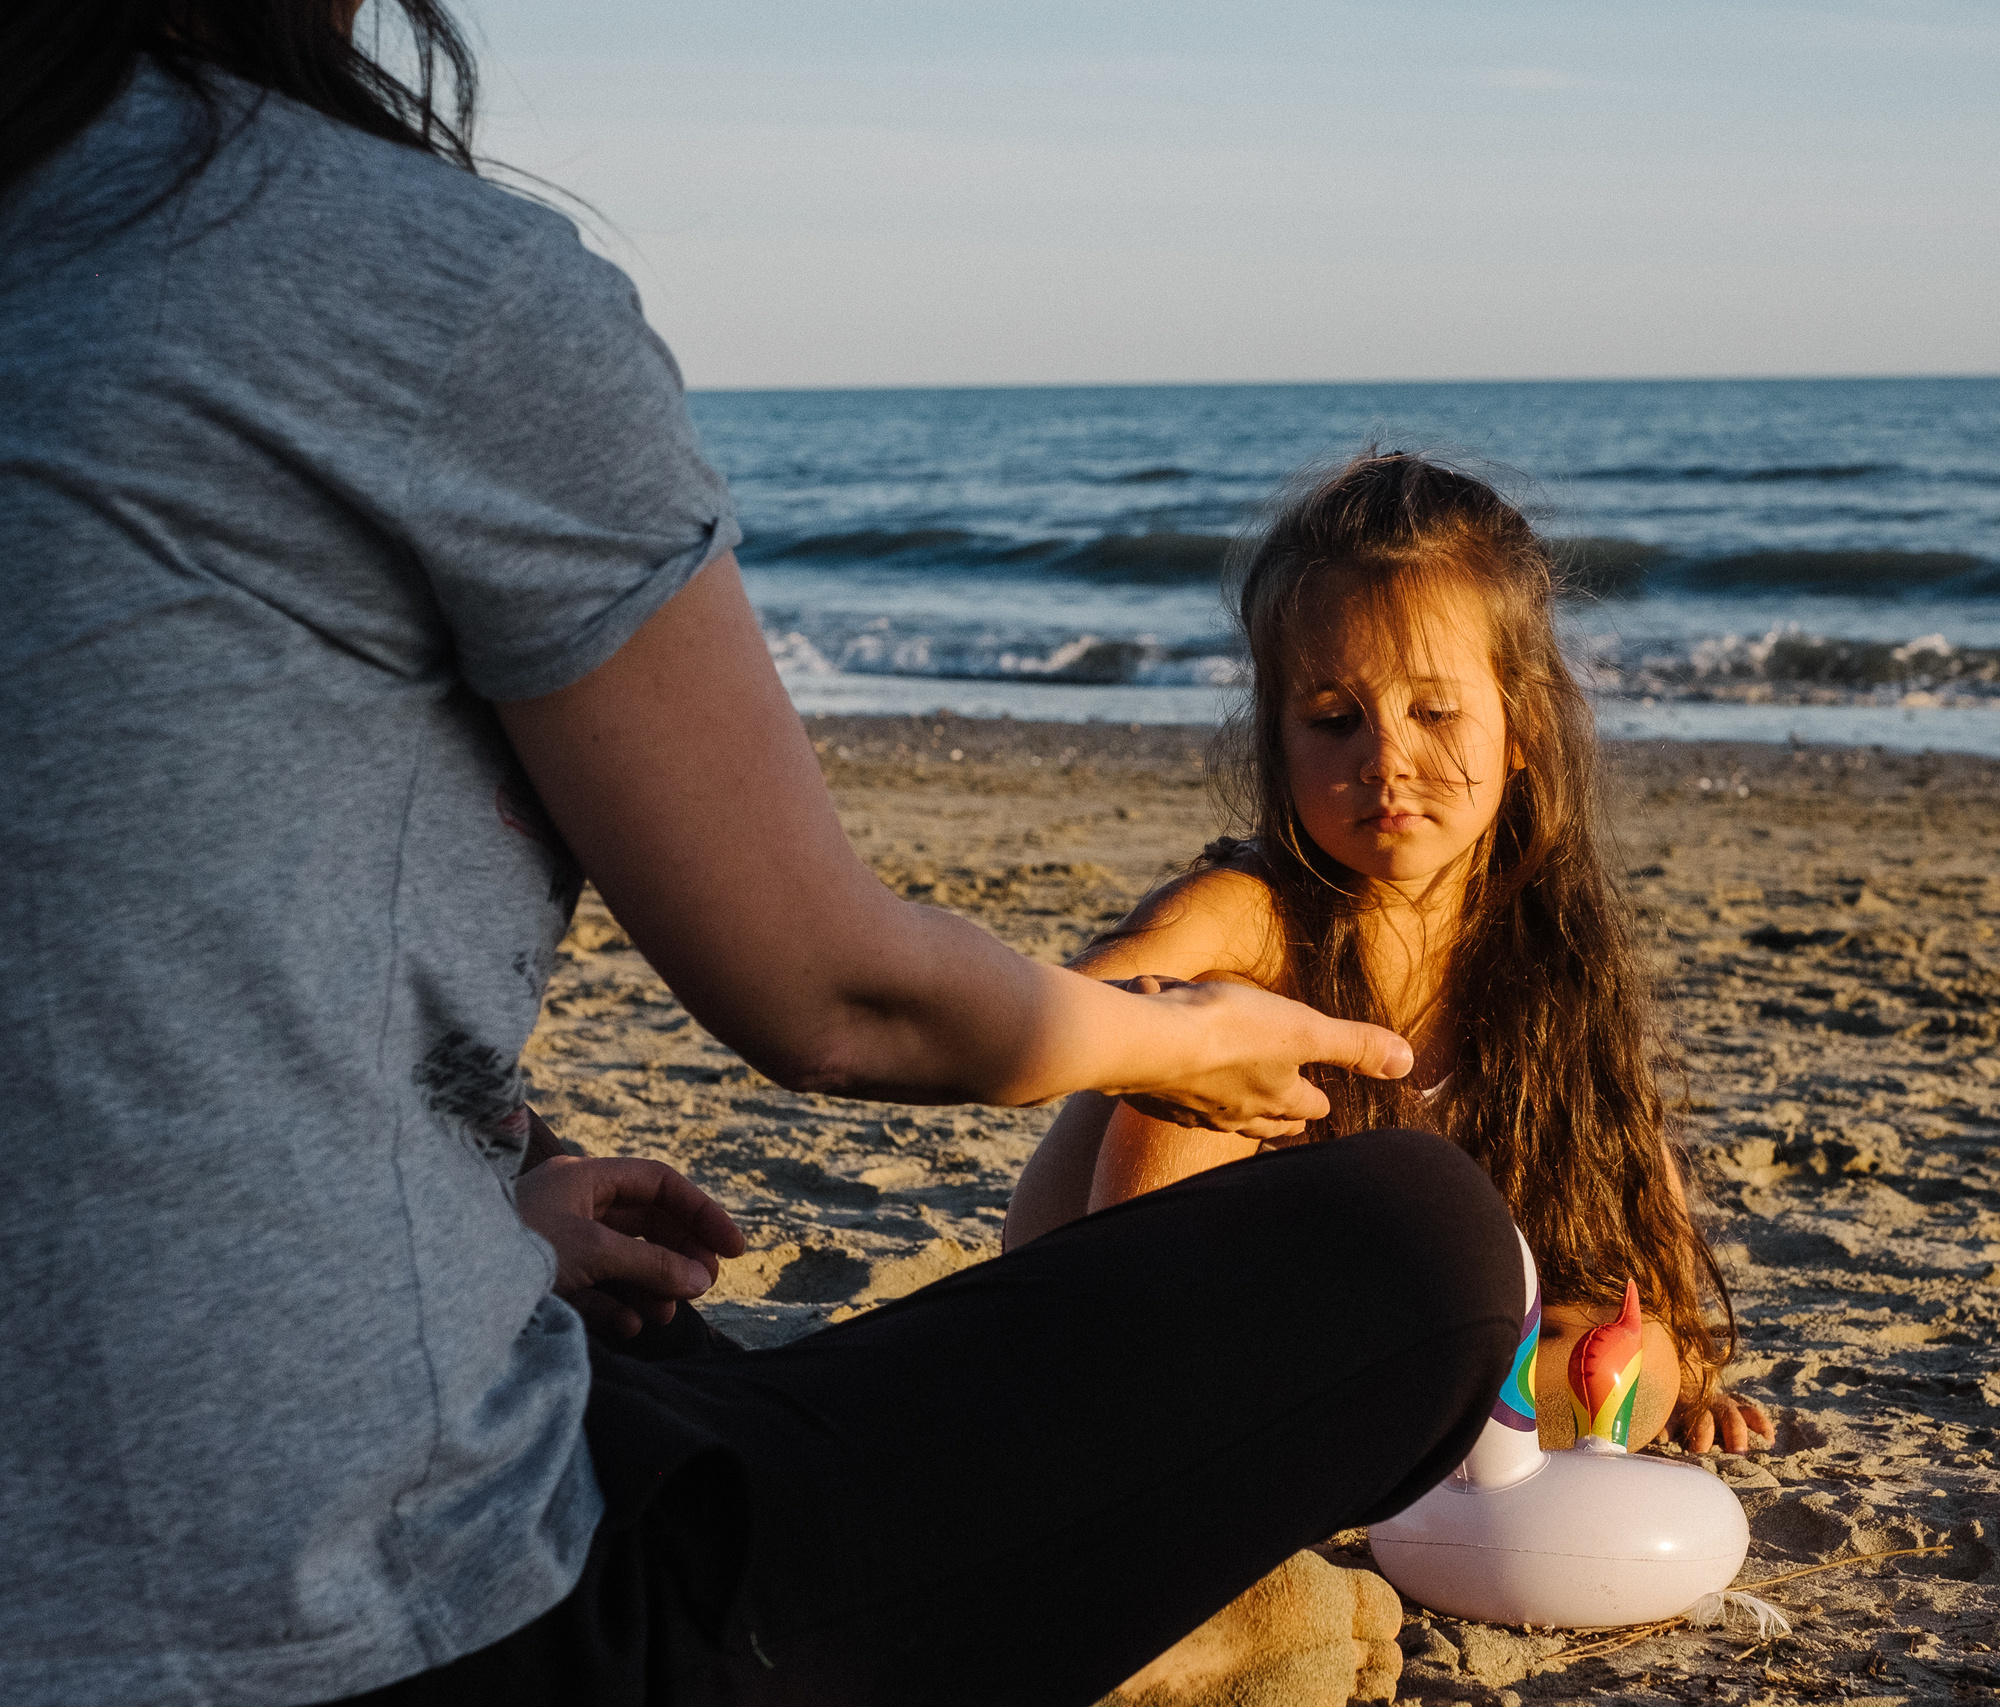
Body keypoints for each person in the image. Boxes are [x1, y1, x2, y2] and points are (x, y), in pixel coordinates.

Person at [0, 8, 1521, 1704]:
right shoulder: (405, 280)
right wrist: (1185, 1035)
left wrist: (483, 1207)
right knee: (1423, 1251)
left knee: (590, 1233)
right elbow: (835, 999)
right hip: (369, 1631)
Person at [1006, 452, 1775, 1457]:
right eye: (1333, 720)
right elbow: (1085, 995)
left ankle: (1378, 1440)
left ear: (1520, 727)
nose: (1384, 758)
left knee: (1642, 1356)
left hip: (1355, 1346)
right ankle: (1246, 1429)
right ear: (1278, 744)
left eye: (1436, 711)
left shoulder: (1543, 953)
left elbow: (1631, 1162)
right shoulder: (1251, 914)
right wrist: (1156, 1024)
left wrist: (1696, 1369)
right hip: (1130, 1314)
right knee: (1191, 1037)